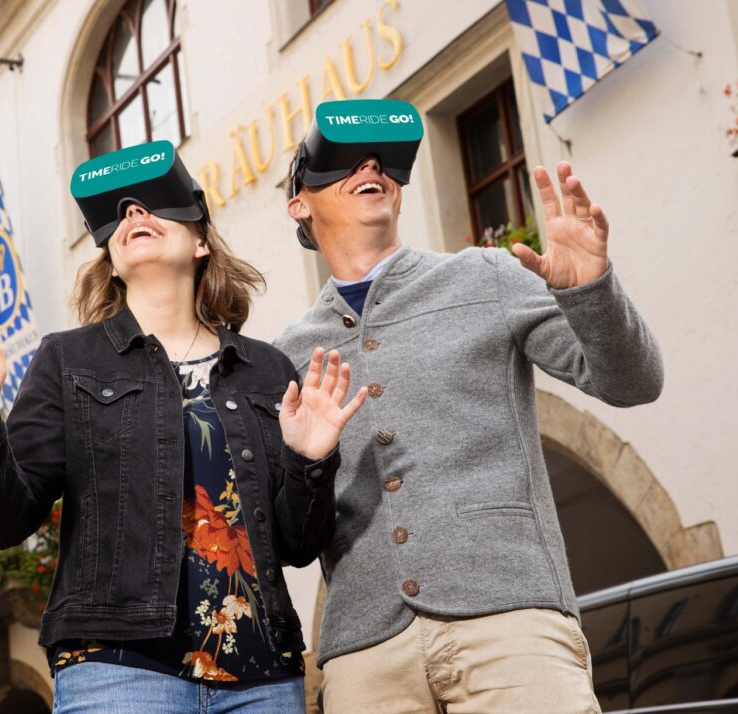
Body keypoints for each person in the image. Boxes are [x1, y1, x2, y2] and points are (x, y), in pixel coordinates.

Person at [0, 140, 367, 713]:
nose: (132, 215)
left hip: (262, 675)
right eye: (119, 215)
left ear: (201, 240)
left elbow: (299, 545)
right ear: (112, 258)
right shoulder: (67, 361)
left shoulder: (266, 368)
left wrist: (311, 461)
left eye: (154, 205)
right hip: (115, 669)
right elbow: (5, 522)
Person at [275, 99, 663, 713]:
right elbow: (287, 527)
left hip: (511, 620)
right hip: (364, 655)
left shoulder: (486, 277)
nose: (369, 165)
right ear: (300, 203)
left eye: (382, 159)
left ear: (398, 191)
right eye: (341, 163)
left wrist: (591, 290)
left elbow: (632, 382)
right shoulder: (286, 355)